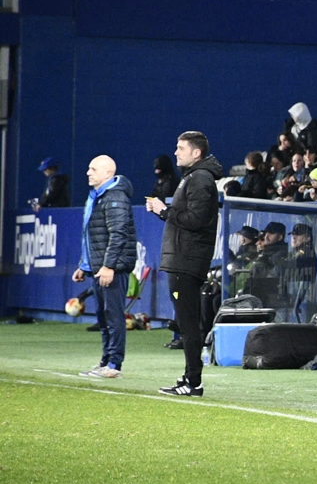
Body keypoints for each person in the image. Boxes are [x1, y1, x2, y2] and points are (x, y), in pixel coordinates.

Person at [145, 131, 223, 397]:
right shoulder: (193, 177)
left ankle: (193, 382)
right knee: (186, 321)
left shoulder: (200, 179)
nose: (176, 152)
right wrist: (163, 212)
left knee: (189, 324)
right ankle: (190, 378)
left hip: (186, 261)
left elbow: (196, 220)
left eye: (181, 148)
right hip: (183, 259)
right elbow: (187, 220)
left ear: (196, 153)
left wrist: (164, 210)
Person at [72, 156, 137, 379]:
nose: (88, 173)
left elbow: (118, 234)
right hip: (98, 267)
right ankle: (106, 360)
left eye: (93, 169)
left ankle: (114, 364)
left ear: (108, 174)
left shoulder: (115, 196)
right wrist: (84, 264)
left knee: (113, 316)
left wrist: (109, 266)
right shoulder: (97, 196)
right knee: (103, 316)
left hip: (112, 269)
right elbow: (91, 235)